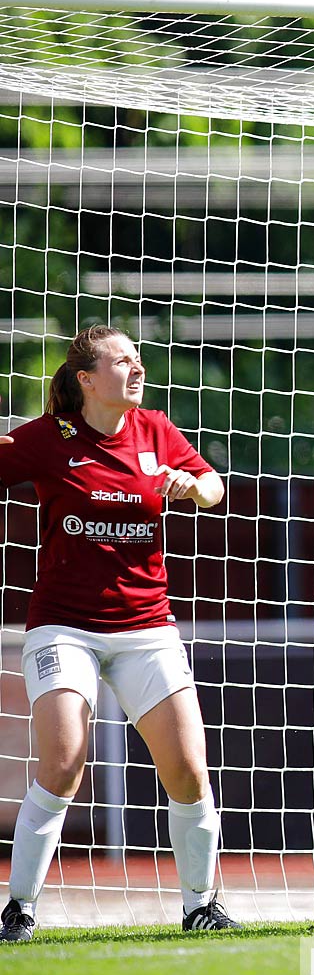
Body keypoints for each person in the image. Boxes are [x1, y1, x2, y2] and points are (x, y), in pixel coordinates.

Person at [0, 327, 236, 941]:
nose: (136, 368)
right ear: (86, 379)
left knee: (187, 769)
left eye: (137, 358)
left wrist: (195, 486)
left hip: (146, 628)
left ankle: (200, 906)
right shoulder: (50, 439)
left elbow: (213, 485)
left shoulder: (156, 428)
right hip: (63, 628)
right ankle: (19, 908)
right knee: (64, 763)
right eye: (122, 360)